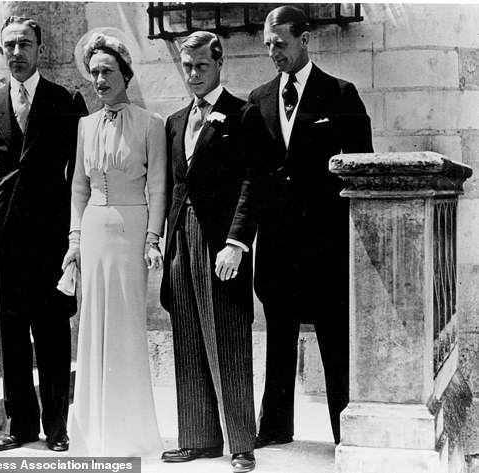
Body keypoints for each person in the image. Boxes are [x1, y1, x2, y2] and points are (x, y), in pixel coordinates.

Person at [249, 6, 373, 447]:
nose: (272, 52)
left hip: (326, 248)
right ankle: (275, 430)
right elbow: (253, 176)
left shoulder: (340, 94)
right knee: (278, 341)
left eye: (280, 43)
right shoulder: (259, 98)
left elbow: (362, 175)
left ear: (305, 39)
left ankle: (346, 435)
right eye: (267, 44)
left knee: (335, 347)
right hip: (277, 248)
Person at [0, 15, 87, 452]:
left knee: (53, 333)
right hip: (2, 235)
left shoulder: (64, 100)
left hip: (50, 234)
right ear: (1, 52)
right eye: (9, 46)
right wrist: (3, 210)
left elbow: (76, 171)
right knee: (11, 332)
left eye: (24, 44)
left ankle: (56, 427)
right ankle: (19, 424)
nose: (16, 53)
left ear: (40, 49)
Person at [160, 31, 265, 473]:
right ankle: (199, 437)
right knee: (187, 336)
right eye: (187, 67)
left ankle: (242, 443)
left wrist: (237, 243)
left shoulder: (243, 115)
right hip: (182, 240)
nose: (194, 75)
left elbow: (254, 181)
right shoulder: (176, 121)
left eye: (202, 66)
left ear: (219, 64)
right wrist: (163, 242)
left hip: (222, 245)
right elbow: (175, 186)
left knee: (228, 339)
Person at [63, 32, 166, 457]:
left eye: (107, 71)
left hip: (131, 230)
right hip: (93, 232)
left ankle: (129, 432)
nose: (100, 80)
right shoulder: (85, 125)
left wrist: (153, 237)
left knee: (124, 328)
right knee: (91, 328)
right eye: (94, 73)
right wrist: (74, 241)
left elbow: (159, 187)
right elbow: (78, 188)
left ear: (125, 74)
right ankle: (93, 432)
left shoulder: (150, 124)